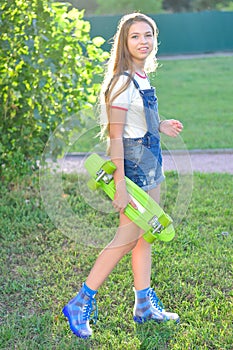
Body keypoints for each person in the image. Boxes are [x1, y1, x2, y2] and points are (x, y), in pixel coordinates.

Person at [62, 13, 183, 339]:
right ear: (124, 43)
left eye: (148, 35)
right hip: (133, 170)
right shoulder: (121, 82)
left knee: (147, 236)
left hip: (152, 165)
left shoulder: (141, 77)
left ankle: (144, 306)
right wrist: (119, 186)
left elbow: (138, 123)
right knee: (126, 239)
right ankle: (80, 301)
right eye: (135, 36)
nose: (143, 41)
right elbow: (116, 137)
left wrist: (161, 125)